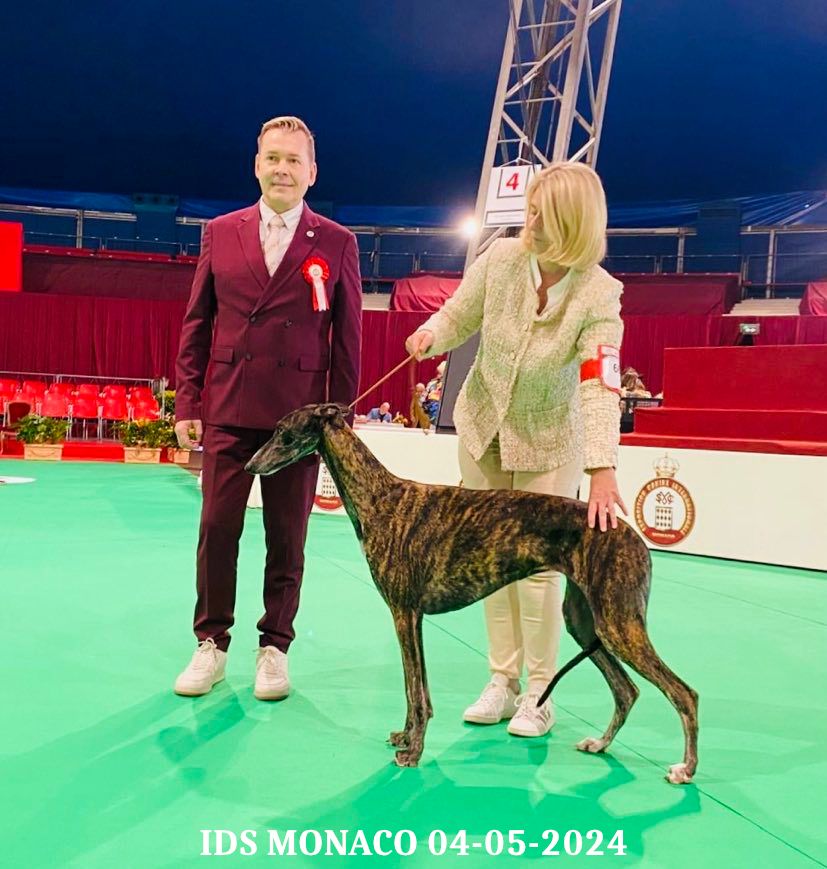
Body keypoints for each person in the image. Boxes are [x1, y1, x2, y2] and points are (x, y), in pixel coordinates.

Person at [405, 162, 626, 738]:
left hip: (550, 444)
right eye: (529, 210)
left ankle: (539, 693)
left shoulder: (599, 293)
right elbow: (459, 314)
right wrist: (431, 334)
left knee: (539, 573)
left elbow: (599, 384)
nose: (529, 222)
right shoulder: (501, 258)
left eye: (542, 216)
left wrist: (602, 468)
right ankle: (501, 681)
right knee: (490, 563)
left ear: (573, 224)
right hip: (483, 431)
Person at [173, 116, 362, 700]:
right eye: (273, 158)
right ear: (257, 165)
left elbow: (347, 339)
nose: (283, 169)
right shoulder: (219, 232)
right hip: (228, 407)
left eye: (293, 160)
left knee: (288, 537)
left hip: (297, 422)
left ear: (312, 172)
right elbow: (197, 322)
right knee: (216, 529)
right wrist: (188, 398)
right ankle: (211, 643)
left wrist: (338, 420)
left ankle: (275, 647)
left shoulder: (338, 242)